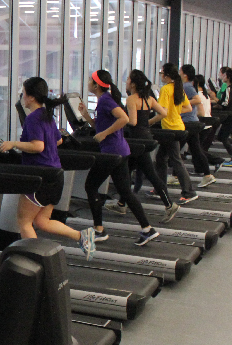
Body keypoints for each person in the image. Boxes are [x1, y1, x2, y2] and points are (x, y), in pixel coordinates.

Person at [0, 77, 96, 260]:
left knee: (24, 221)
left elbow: (38, 146)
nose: (22, 96)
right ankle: (81, 236)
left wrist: (14, 144)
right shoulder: (46, 115)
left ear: (30, 97)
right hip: (55, 176)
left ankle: (37, 261)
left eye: (23, 92)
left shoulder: (33, 118)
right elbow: (58, 140)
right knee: (42, 221)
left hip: (40, 177)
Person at [76, 70, 161, 246]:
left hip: (111, 153)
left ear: (97, 85)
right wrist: (85, 115)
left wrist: (105, 134)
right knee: (126, 192)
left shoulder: (106, 100)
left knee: (90, 186)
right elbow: (99, 126)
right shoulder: (104, 100)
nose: (88, 83)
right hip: (120, 151)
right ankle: (147, 228)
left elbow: (123, 118)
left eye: (90, 81)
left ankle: (99, 230)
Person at [108, 69, 180, 223]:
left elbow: (133, 122)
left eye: (128, 79)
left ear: (133, 84)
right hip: (146, 137)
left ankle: (169, 205)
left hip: (137, 141)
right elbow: (163, 114)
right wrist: (148, 122)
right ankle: (121, 203)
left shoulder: (132, 99)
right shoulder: (148, 99)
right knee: (126, 170)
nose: (126, 81)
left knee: (151, 174)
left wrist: (119, 118)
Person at [154, 63, 198, 204]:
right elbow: (188, 107)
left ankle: (189, 191)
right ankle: (159, 188)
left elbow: (163, 112)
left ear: (166, 75)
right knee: (161, 158)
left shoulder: (166, 89)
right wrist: (175, 111)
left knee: (176, 160)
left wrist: (150, 121)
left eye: (162, 73)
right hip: (178, 126)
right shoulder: (177, 87)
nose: (161, 75)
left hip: (170, 129)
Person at [179, 65, 216, 188]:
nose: (179, 72)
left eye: (180, 71)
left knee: (176, 150)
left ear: (185, 74)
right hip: (191, 121)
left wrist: (182, 103)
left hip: (188, 122)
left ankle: (176, 175)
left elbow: (197, 100)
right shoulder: (187, 85)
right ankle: (207, 174)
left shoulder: (187, 86)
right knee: (195, 149)